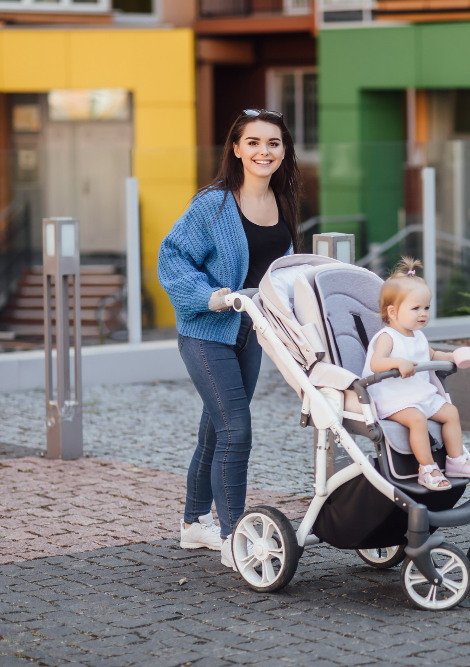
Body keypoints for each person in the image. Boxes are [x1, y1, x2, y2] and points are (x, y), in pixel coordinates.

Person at [157, 109, 299, 568]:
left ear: (283, 151)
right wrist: (211, 296)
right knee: (236, 430)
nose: (264, 151)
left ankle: (192, 524)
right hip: (206, 331)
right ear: (236, 149)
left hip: (251, 332)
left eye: (273, 143)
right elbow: (172, 258)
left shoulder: (282, 201)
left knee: (216, 430)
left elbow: (279, 272)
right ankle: (234, 534)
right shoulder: (213, 204)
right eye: (254, 142)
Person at [362, 257, 470, 491]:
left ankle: (456, 461)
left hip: (419, 394)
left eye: (426, 308)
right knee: (417, 420)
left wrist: (449, 356)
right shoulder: (387, 337)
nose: (423, 314)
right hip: (394, 398)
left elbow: (430, 354)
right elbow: (377, 363)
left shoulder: (417, 335)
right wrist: (398, 362)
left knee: (450, 412)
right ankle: (427, 468)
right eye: (416, 308)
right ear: (393, 311)